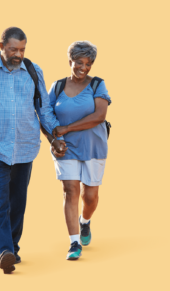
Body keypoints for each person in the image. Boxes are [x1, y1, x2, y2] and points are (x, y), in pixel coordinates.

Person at [0, 27, 67, 274]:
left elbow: (44, 110)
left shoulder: (32, 71)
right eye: (13, 49)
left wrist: (54, 135)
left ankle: (12, 248)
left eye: (22, 49)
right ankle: (3, 251)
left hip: (26, 147)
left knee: (17, 202)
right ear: (1, 46)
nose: (18, 54)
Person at [41, 41, 111, 260]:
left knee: (90, 196)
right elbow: (45, 116)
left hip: (93, 146)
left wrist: (68, 128)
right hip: (65, 148)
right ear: (69, 61)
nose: (84, 67)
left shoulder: (97, 85)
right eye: (79, 62)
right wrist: (53, 139)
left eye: (88, 63)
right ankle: (74, 243)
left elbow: (100, 116)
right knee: (70, 190)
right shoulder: (58, 87)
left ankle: (85, 222)